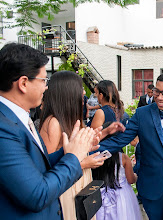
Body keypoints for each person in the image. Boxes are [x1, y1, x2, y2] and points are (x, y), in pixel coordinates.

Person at [0, 43, 101, 219]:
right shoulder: (3, 128)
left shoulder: (16, 117)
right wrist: (74, 158)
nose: (46, 88)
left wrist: (75, 148)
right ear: (23, 83)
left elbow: (36, 165)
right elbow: (37, 194)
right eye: (43, 81)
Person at [98, 71, 163, 220]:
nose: (159, 97)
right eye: (157, 92)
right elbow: (119, 141)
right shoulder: (142, 114)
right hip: (151, 188)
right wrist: (85, 151)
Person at [39, 71, 109, 220]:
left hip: (79, 185)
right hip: (66, 190)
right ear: (68, 93)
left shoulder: (72, 119)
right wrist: (84, 163)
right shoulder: (53, 123)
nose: (84, 94)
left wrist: (89, 145)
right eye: (80, 89)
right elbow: (46, 168)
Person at [95, 151, 142, 220]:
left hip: (100, 194)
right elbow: (131, 180)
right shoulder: (123, 157)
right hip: (121, 195)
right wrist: (135, 176)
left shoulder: (95, 157)